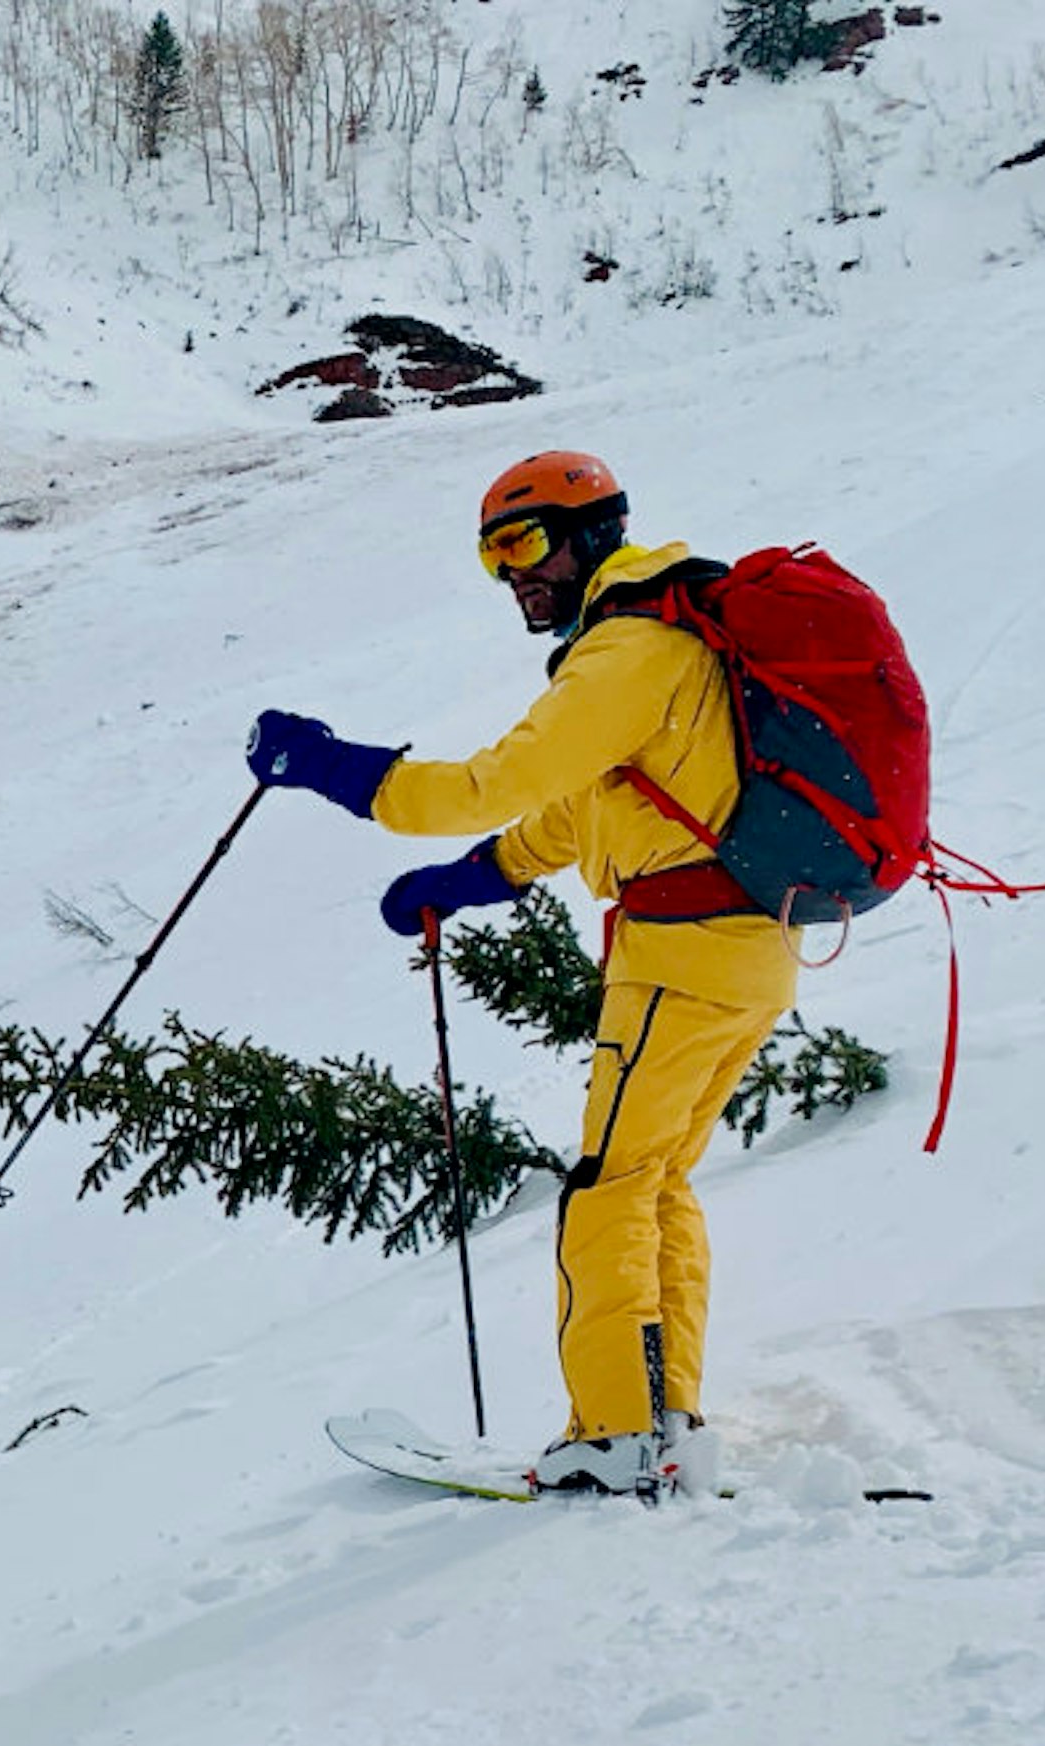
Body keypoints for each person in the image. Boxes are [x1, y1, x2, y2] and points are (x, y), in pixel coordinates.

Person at [243, 450, 796, 1499]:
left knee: (603, 1193)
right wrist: (468, 881)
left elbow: (487, 784)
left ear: (592, 533)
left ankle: (618, 1436)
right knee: (652, 1182)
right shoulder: (664, 645)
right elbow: (593, 808)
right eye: (493, 555)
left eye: (525, 542)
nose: (511, 575)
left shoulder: (628, 649)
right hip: (742, 952)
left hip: (682, 959)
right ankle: (664, 1416)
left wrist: (327, 766)